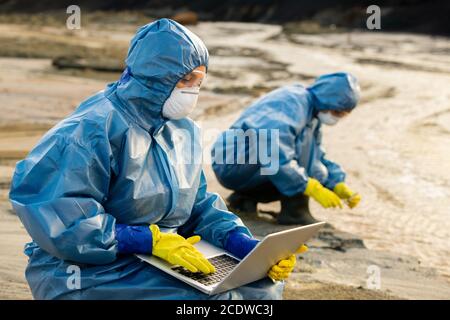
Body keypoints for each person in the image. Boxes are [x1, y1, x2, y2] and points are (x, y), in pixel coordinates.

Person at [8, 19, 304, 300]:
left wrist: (241, 243)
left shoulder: (181, 130)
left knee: (261, 286)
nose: (192, 89)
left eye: (198, 80)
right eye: (185, 79)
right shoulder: (88, 130)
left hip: (157, 259)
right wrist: (145, 240)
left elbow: (197, 204)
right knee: (209, 300)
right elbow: (62, 218)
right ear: (155, 78)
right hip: (87, 270)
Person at [211, 73, 362, 225]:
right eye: (337, 112)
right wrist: (308, 186)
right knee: (292, 152)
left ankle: (244, 200)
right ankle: (295, 212)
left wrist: (335, 183)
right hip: (233, 163)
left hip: (244, 163)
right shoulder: (293, 102)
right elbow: (272, 147)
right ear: (326, 99)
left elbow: (316, 157)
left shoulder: (311, 111)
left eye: (343, 114)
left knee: (305, 155)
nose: (337, 118)